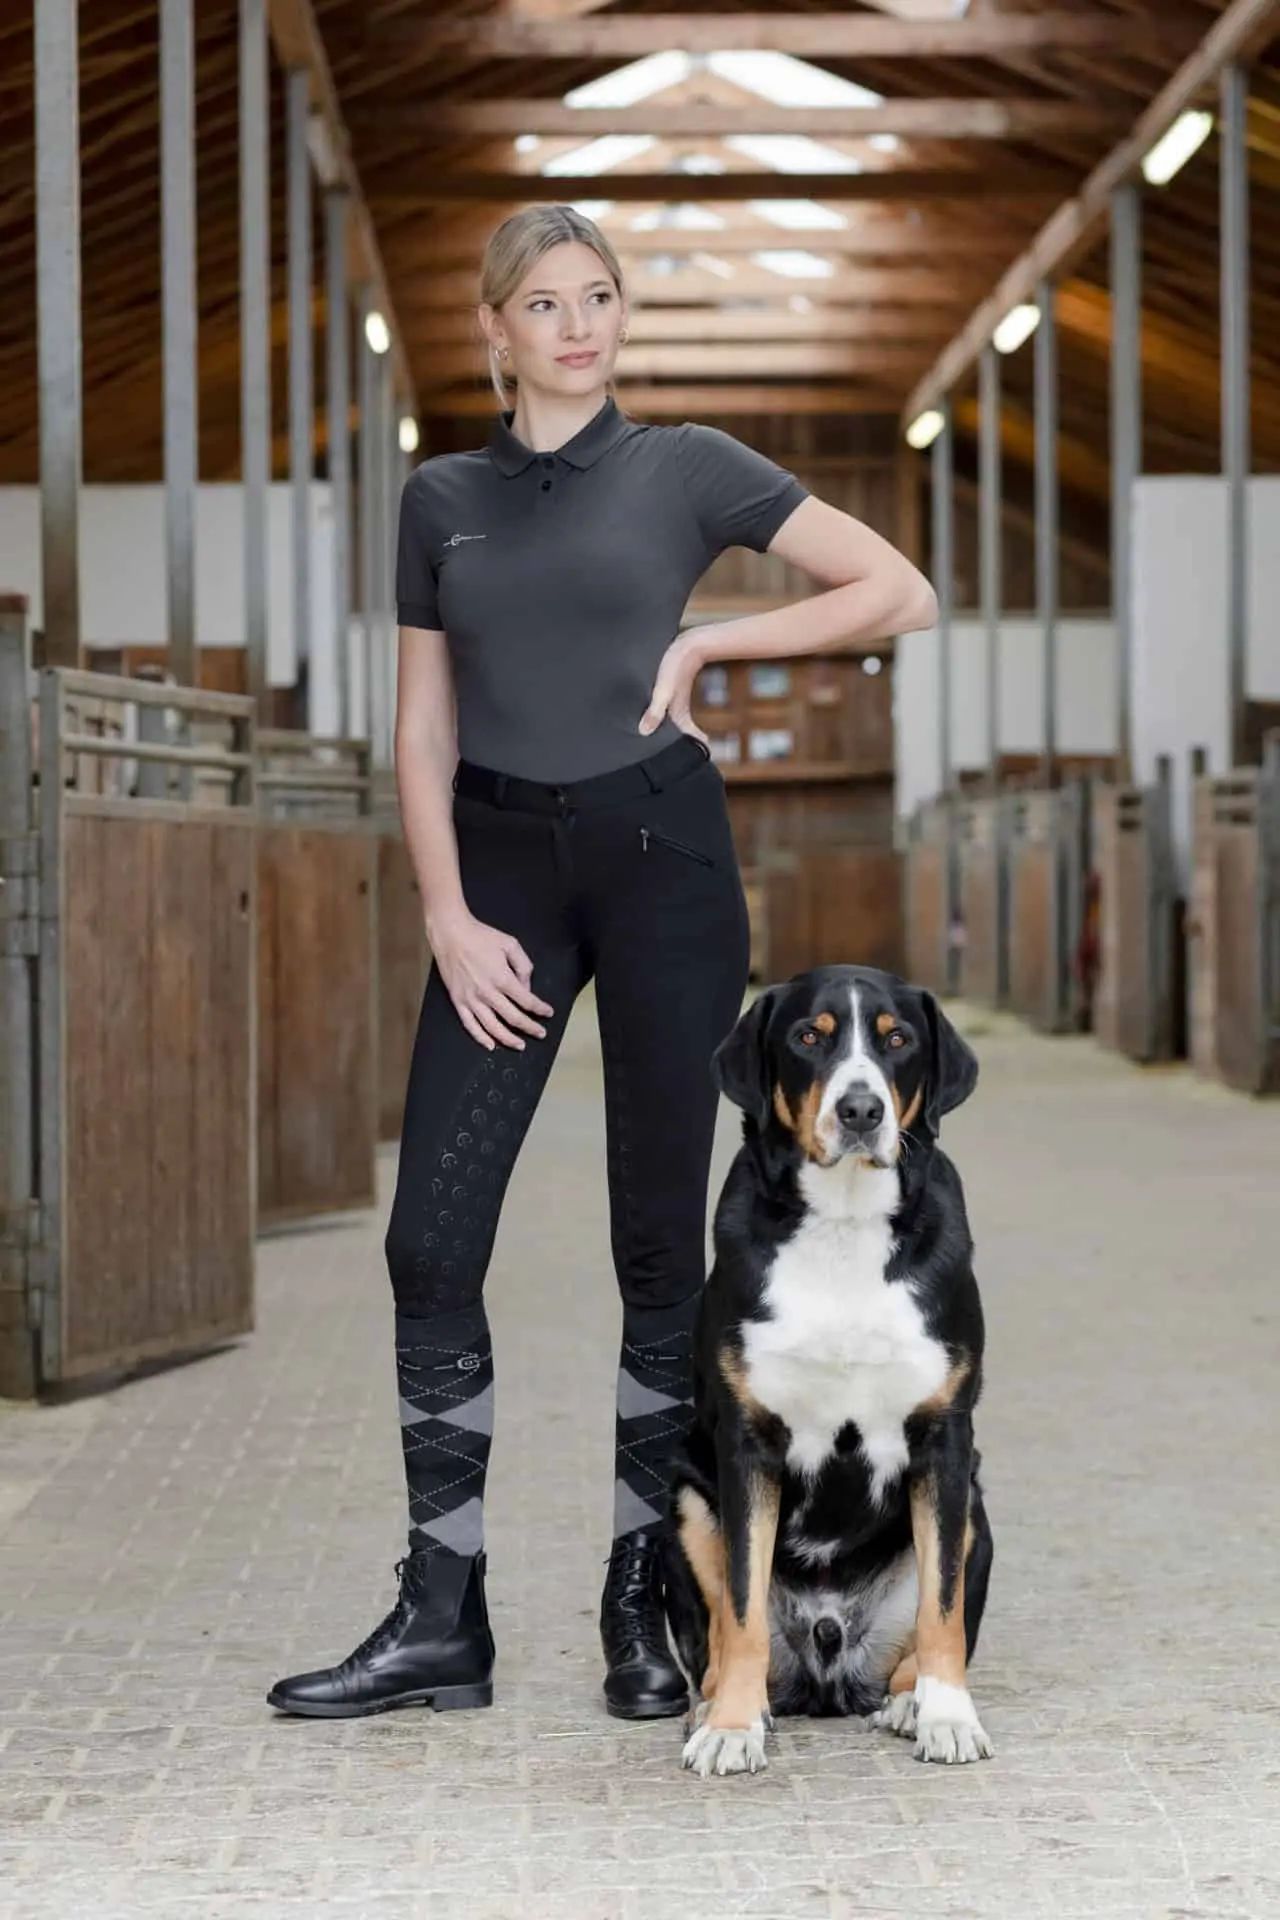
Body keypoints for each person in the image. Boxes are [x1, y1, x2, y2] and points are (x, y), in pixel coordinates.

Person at [267, 203, 937, 1723]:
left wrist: (709, 647)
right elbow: (423, 728)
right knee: (430, 1243)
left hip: (661, 864)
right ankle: (440, 1610)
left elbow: (898, 590)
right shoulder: (439, 499)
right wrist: (446, 913)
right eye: (544, 303)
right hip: (498, 873)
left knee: (657, 1252)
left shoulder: (685, 467)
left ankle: (645, 1606)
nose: (577, 326)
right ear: (494, 330)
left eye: (599, 297)